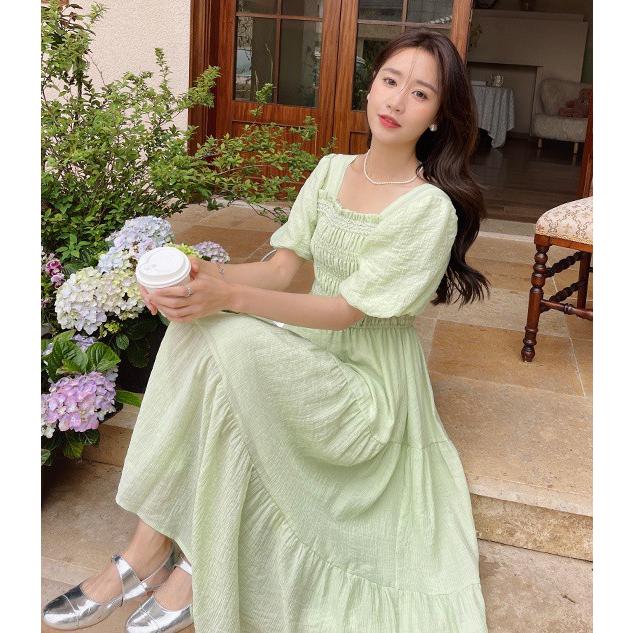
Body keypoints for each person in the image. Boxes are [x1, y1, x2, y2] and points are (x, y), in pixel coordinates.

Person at [43, 27, 491, 633]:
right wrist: (200, 278)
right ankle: (149, 550)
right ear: (370, 86)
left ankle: (186, 565)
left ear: (437, 115)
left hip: (368, 387)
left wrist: (228, 297)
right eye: (390, 81)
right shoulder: (332, 171)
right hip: (312, 352)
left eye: (420, 93)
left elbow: (348, 310)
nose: (396, 101)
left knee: (230, 335)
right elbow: (283, 270)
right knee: (201, 326)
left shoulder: (428, 207)